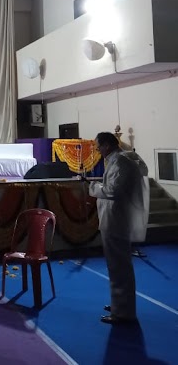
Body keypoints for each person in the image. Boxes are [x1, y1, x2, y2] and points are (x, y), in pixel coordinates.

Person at [86, 132, 146, 324]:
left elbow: (113, 190)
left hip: (116, 221)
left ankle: (123, 313)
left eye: (98, 146)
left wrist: (92, 187)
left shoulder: (120, 162)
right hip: (113, 220)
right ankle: (119, 304)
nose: (97, 150)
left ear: (107, 145)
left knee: (119, 267)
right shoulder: (115, 161)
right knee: (116, 266)